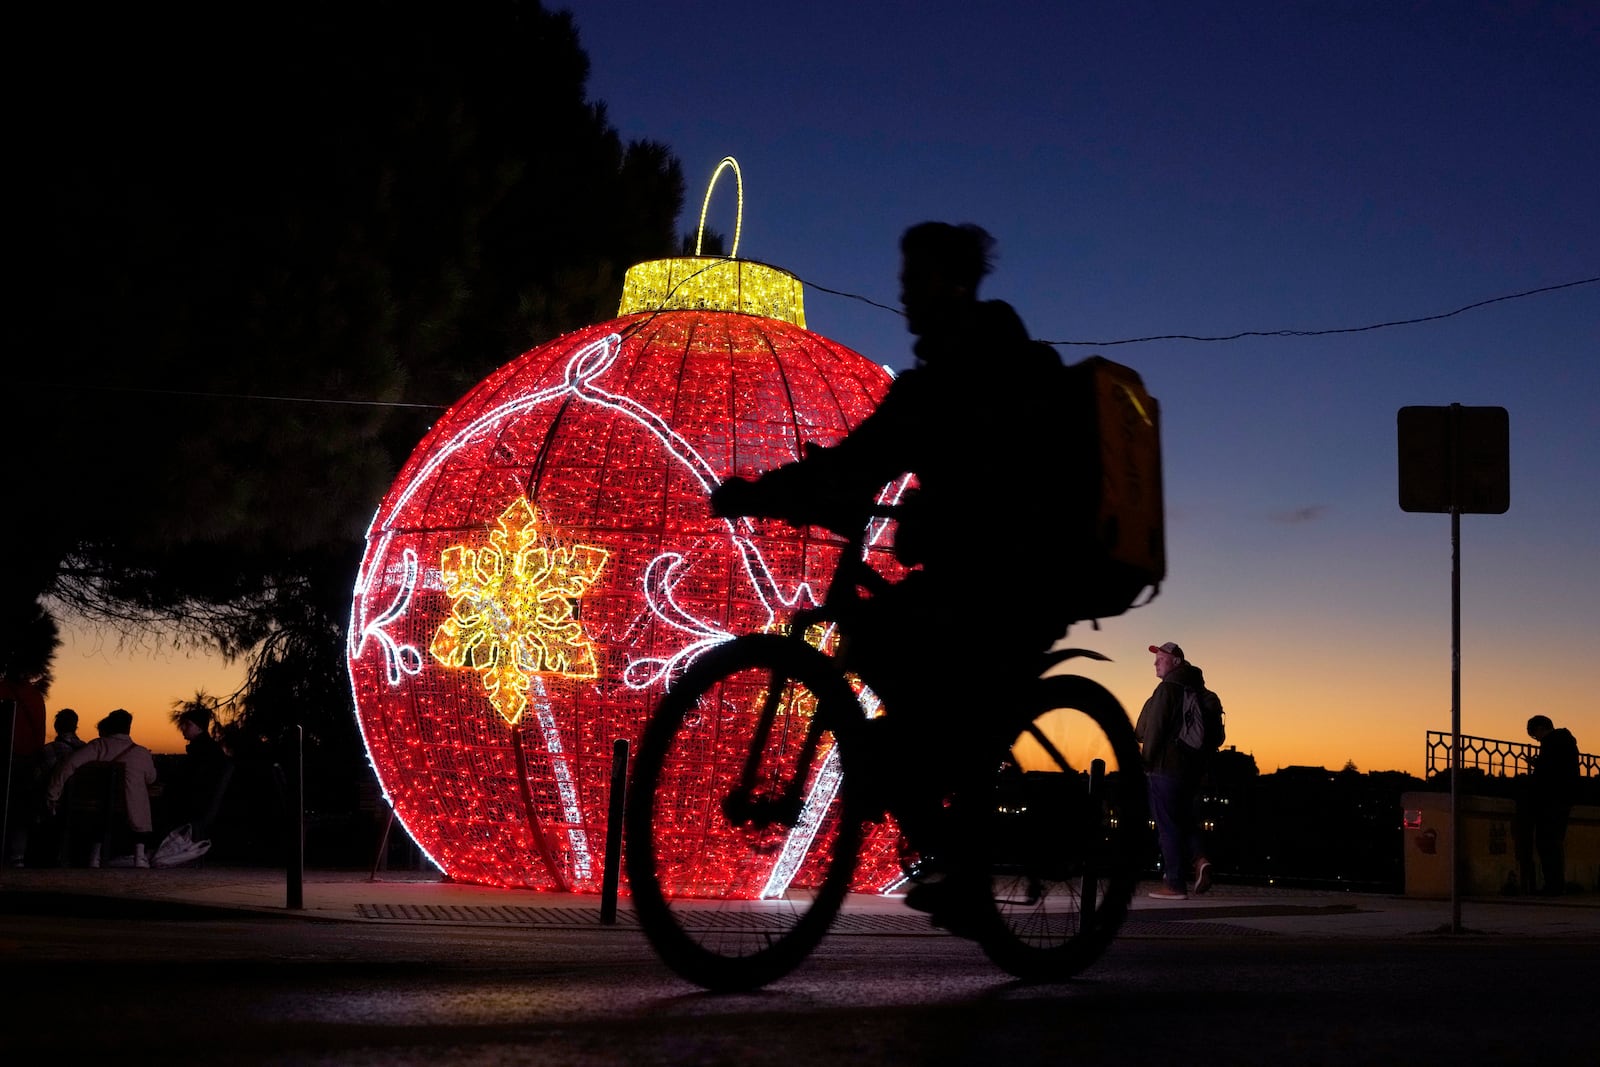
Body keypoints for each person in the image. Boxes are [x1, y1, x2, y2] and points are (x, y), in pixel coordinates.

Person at [710, 221, 1082, 927]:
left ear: (952, 282)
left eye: (916, 280)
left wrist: (769, 492)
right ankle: (934, 816)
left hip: (1023, 576)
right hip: (971, 572)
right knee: (892, 667)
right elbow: (861, 458)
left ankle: (967, 861)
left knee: (940, 690)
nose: (905, 295)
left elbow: (882, 462)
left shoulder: (983, 368)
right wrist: (772, 493)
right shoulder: (939, 376)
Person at [1134, 641, 1217, 899]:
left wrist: (1143, 765)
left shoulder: (1167, 689)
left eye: (1161, 658)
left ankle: (1174, 884)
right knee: (1185, 820)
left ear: (1176, 663)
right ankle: (1200, 860)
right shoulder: (1204, 693)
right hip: (1193, 772)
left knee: (1167, 825)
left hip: (1164, 768)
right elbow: (1216, 738)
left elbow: (1150, 731)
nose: (1156, 663)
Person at [45, 708, 160, 868]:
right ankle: (139, 855)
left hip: (97, 807)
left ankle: (94, 856)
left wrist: (53, 795)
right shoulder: (141, 753)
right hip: (132, 811)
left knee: (102, 810)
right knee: (140, 796)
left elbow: (69, 765)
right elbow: (151, 778)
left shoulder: (98, 746)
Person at [1518, 714, 1580, 896]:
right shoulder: (1567, 741)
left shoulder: (1551, 742)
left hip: (1551, 799)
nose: (1536, 739)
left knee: (1546, 843)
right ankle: (1557, 884)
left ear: (1540, 728)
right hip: (1565, 797)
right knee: (1555, 842)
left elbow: (1549, 772)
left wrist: (1537, 766)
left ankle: (1552, 886)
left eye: (1534, 735)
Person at [168, 705, 232, 844]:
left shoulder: (202, 752)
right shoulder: (207, 749)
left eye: (188, 724)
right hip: (201, 804)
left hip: (197, 806)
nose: (183, 728)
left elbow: (193, 782)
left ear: (199, 727)